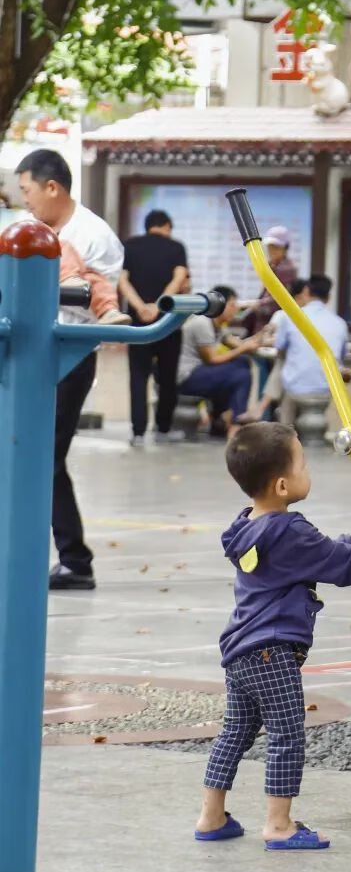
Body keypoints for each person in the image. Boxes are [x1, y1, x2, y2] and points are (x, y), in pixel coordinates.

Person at [194, 422, 351, 848]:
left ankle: (211, 816)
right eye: (303, 465)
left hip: (240, 652)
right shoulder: (289, 530)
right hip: (271, 651)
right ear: (280, 485)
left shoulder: (249, 527)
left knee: (235, 732)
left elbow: (316, 557)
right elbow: (336, 563)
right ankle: (279, 825)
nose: (308, 471)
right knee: (287, 734)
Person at [17, 148, 124, 592]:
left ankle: (75, 560)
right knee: (31, 453)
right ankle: (69, 556)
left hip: (68, 355)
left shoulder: (91, 234)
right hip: (31, 351)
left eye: (26, 191)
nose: (24, 201)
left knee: (45, 456)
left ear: (52, 187)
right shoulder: (34, 229)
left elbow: (93, 294)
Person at [118, 209, 190, 446]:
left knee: (138, 377)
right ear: (167, 226)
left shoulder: (130, 245)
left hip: (137, 323)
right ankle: (163, 429)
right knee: (167, 377)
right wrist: (160, 306)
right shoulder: (176, 247)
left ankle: (137, 433)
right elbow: (179, 278)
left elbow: (122, 279)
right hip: (168, 321)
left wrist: (140, 307)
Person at [177, 284, 264, 435]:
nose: (235, 309)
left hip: (201, 372)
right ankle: (237, 422)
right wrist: (243, 349)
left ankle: (220, 421)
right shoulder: (202, 323)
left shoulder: (216, 325)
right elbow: (212, 359)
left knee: (242, 363)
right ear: (219, 305)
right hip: (187, 377)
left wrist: (260, 340)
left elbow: (235, 343)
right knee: (240, 375)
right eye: (232, 305)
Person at [275, 273, 350, 428]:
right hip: (326, 388)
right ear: (329, 297)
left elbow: (279, 347)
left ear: (306, 292)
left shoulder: (290, 317)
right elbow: (341, 356)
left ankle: (284, 430)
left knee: (283, 366)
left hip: (294, 387)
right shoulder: (340, 323)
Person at [243, 227, 298, 335]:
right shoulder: (272, 265)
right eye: (270, 246)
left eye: (276, 247)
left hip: (274, 323)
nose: (271, 250)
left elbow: (281, 297)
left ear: (285, 248)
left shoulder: (286, 268)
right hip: (263, 320)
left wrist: (255, 304)